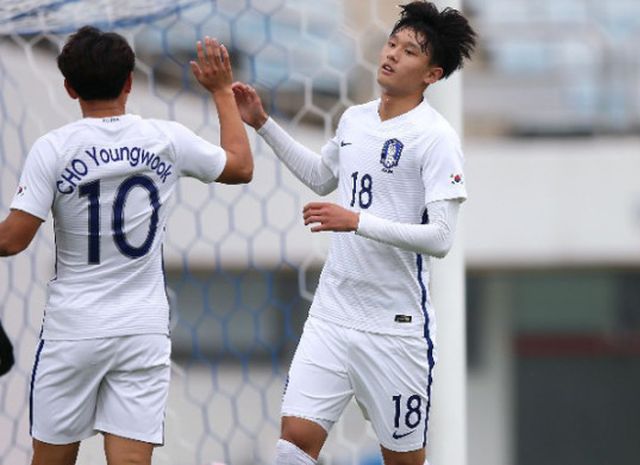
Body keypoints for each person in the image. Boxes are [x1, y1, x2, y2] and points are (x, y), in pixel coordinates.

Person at [232, 2, 476, 464]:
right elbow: (322, 175)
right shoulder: (355, 119)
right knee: (293, 444)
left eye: (409, 52)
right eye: (392, 43)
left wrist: (357, 221)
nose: (391, 55)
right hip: (332, 314)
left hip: (396, 329)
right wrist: (263, 124)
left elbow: (442, 238)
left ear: (432, 73)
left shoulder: (436, 138)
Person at [0, 27, 252, 465]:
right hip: (142, 328)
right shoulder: (166, 137)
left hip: (74, 329)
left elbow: (11, 240)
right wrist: (221, 92)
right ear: (130, 82)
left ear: (69, 87)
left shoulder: (53, 148)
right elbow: (240, 167)